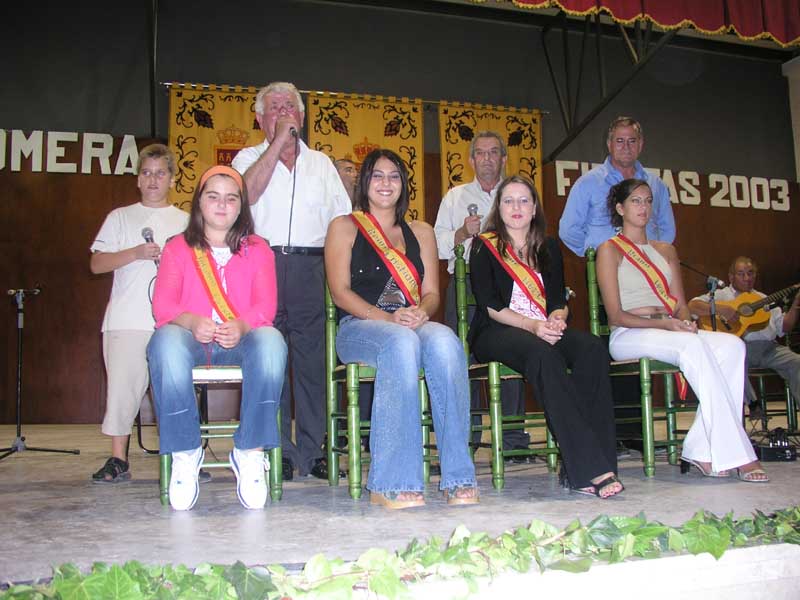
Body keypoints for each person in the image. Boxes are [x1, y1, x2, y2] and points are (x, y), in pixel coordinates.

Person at [325, 148, 478, 509]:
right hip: (360, 327)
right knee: (400, 343)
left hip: (409, 323)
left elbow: (432, 295)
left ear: (403, 185)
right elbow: (340, 293)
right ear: (365, 182)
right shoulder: (344, 226)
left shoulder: (422, 231)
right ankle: (392, 480)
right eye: (377, 175)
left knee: (445, 340)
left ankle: (458, 476)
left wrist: (422, 313)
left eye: (394, 176)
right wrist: (390, 320)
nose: (385, 183)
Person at [596, 178, 768, 482]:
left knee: (732, 347)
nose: (644, 207)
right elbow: (616, 315)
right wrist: (668, 325)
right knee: (692, 347)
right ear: (620, 208)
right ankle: (739, 454)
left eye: (648, 200)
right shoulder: (610, 250)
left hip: (670, 328)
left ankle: (700, 451)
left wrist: (686, 321)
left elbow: (680, 304)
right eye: (635, 201)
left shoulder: (666, 250)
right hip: (630, 334)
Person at [469, 174, 622, 498]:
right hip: (498, 331)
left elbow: (557, 300)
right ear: (499, 206)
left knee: (592, 349)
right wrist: (535, 327)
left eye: (524, 200)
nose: (517, 207)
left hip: (543, 328)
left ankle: (596, 461)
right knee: (543, 354)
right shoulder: (485, 246)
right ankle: (588, 469)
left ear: (535, 206)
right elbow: (491, 305)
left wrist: (556, 319)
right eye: (509, 200)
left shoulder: (548, 245)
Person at [147, 165, 287, 510]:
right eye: (213, 197)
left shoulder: (259, 249)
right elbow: (163, 307)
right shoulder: (178, 248)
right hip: (190, 341)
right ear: (199, 203)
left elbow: (265, 307)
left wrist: (242, 325)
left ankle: (250, 452)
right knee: (164, 343)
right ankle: (185, 451)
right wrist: (192, 321)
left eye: (231, 198)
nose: (222, 205)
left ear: (242, 206)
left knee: (272, 342)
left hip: (241, 341)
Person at [232, 82, 351, 481]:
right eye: (275, 107)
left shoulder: (321, 164)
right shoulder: (247, 157)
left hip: (311, 267)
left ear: (302, 117)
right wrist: (277, 143)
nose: (284, 113)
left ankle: (315, 449)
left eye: (290, 107)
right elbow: (241, 196)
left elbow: (341, 221)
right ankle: (277, 448)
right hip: (260, 265)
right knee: (271, 360)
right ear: (260, 118)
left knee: (313, 363)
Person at [89, 144, 189, 483]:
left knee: (175, 390)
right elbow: (97, 263)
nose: (153, 180)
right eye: (146, 173)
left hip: (172, 322)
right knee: (122, 390)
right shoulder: (120, 217)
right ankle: (118, 459)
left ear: (172, 180)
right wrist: (135, 252)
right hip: (126, 319)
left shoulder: (186, 221)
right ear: (137, 178)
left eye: (160, 173)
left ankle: (182, 458)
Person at [433, 131, 528, 459]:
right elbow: (436, 243)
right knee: (463, 362)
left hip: (509, 284)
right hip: (464, 284)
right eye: (481, 153)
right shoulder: (455, 197)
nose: (487, 159)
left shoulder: (516, 196)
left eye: (494, 153)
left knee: (515, 355)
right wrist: (461, 233)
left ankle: (514, 440)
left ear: (504, 159)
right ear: (471, 160)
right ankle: (466, 441)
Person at [688, 257, 800, 419]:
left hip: (769, 348)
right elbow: (692, 306)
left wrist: (796, 304)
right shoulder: (721, 295)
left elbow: (784, 327)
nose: (747, 278)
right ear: (731, 277)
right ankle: (753, 406)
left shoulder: (764, 298)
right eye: (741, 274)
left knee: (797, 362)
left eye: (750, 273)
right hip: (740, 347)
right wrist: (721, 310)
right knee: (734, 361)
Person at [558, 116, 675, 257]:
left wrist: (654, 258)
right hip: (604, 269)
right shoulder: (586, 184)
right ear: (609, 144)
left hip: (648, 270)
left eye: (632, 141)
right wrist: (594, 255)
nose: (626, 147)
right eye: (619, 141)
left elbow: (667, 229)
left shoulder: (657, 185)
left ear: (641, 144)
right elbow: (568, 230)